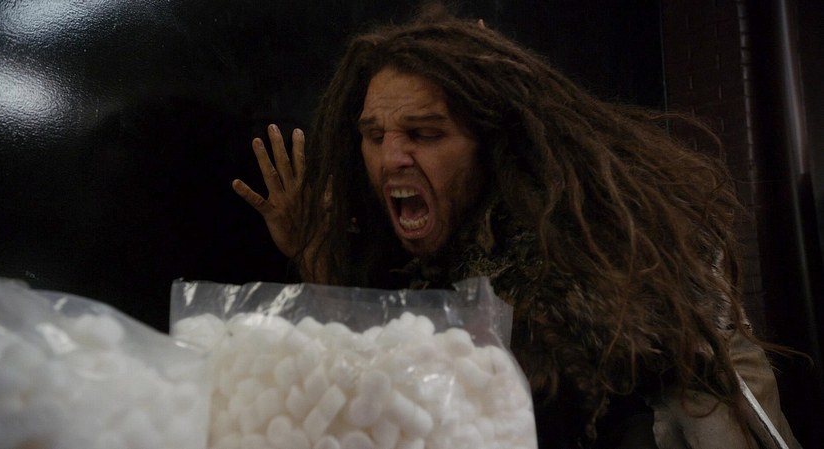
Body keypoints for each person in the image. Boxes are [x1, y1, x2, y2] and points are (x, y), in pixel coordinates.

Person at [232, 6, 801, 449]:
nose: (391, 159)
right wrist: (318, 255)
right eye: (374, 135)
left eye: (425, 134)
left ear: (493, 143)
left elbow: (501, 405)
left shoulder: (589, 254)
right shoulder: (424, 249)